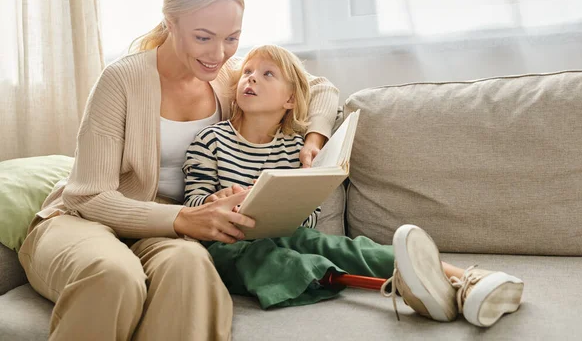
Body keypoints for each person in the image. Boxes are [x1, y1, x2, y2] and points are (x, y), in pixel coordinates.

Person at [17, 0, 339, 341]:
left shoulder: (225, 79)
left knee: (190, 267)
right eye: (203, 37)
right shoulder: (121, 80)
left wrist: (315, 137)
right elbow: (89, 196)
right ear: (171, 22)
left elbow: (319, 87)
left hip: (166, 236)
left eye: (232, 38)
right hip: (82, 222)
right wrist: (184, 218)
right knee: (114, 275)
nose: (218, 53)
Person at [182, 44, 525, 327]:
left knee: (340, 246)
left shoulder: (293, 148)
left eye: (266, 74)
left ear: (290, 100)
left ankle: (466, 279)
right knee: (270, 257)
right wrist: (216, 199)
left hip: (283, 232)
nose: (251, 78)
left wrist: (289, 212)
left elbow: (309, 214)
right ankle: (408, 289)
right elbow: (192, 203)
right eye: (247, 72)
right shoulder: (211, 139)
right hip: (226, 245)